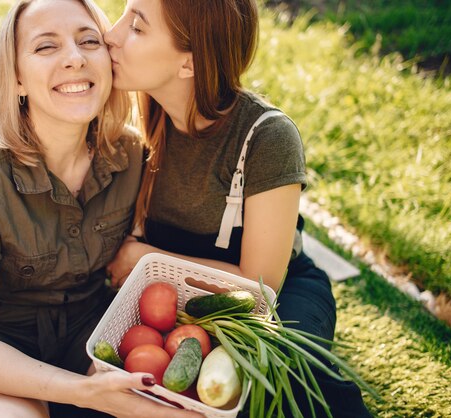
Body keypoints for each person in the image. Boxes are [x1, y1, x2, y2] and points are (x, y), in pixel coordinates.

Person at [0, 1, 203, 417]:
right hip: (0, 357)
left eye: (89, 41)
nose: (74, 58)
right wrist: (82, 392)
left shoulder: (131, 155)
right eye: (45, 47)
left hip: (96, 335)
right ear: (17, 78)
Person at [104, 0, 372, 417]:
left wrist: (147, 259)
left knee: (286, 384)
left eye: (136, 28)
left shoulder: (267, 137)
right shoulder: (146, 113)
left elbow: (258, 288)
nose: (111, 35)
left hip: (275, 298)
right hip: (176, 296)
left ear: (189, 64)